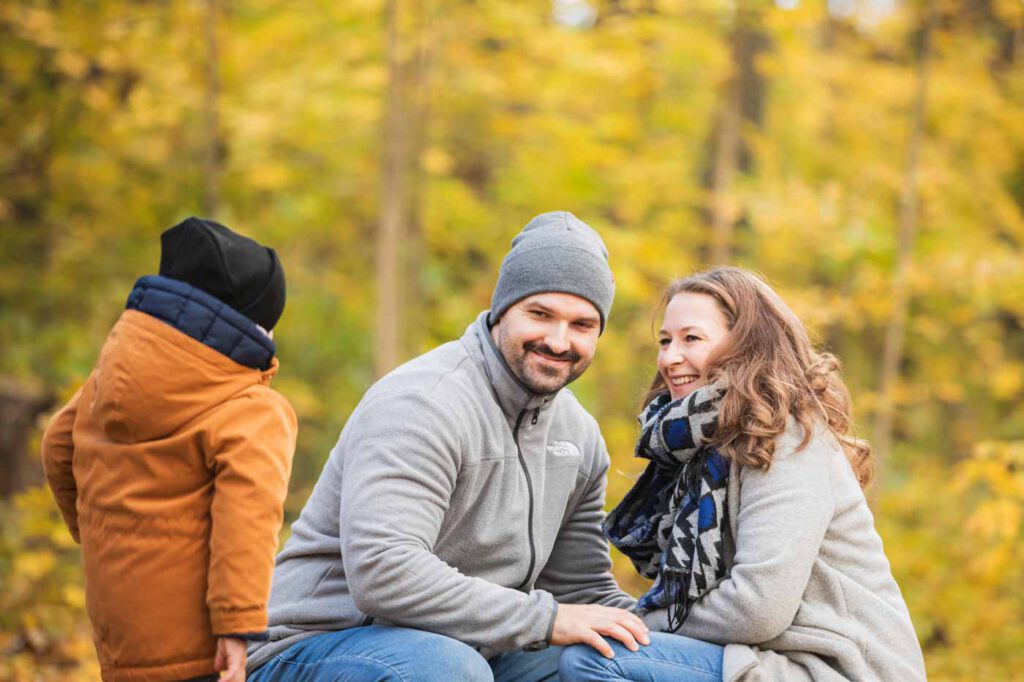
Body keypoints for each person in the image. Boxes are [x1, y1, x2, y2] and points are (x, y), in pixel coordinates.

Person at [247, 211, 648, 681]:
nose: (559, 341)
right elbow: (383, 571)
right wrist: (545, 620)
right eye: (540, 314)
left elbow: (582, 592)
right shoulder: (424, 401)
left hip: (472, 649)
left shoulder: (578, 436)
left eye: (582, 324)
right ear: (502, 310)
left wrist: (681, 638)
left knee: (618, 660)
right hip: (315, 645)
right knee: (447, 668)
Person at [559, 267, 927, 682]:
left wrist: (640, 620)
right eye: (665, 341)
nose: (670, 357)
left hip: (837, 668)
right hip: (767, 658)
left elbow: (758, 607)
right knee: (572, 651)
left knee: (595, 659)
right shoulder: (703, 451)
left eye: (691, 338)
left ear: (747, 346)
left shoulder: (787, 440)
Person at [41, 218, 298, 682]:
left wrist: (97, 529)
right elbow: (247, 520)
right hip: (197, 647)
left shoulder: (107, 378)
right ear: (255, 328)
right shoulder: (251, 409)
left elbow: (57, 444)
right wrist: (237, 626)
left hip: (118, 638)